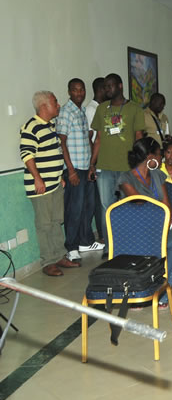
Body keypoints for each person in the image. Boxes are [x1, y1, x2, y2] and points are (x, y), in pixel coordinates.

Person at [118, 137, 172, 304]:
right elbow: (140, 203)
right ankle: (138, 292)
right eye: (159, 155)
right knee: (147, 246)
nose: (162, 159)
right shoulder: (126, 178)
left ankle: (163, 292)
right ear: (150, 157)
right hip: (135, 229)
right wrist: (168, 221)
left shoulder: (158, 175)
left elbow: (167, 205)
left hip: (159, 226)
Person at [21, 91, 77, 277]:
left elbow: (54, 153)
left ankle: (60, 255)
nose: (58, 105)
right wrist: (38, 178)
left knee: (56, 221)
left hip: (54, 183)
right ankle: (48, 261)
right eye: (55, 102)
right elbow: (27, 155)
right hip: (41, 186)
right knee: (44, 224)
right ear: (44, 106)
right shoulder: (31, 127)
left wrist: (58, 176)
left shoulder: (50, 125)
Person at [89, 73, 146, 242]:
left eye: (110, 85)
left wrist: (139, 165)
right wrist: (92, 164)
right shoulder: (101, 109)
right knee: (107, 207)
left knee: (128, 206)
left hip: (127, 168)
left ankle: (129, 242)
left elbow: (139, 137)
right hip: (105, 167)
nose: (107, 89)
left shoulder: (134, 109)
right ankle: (110, 245)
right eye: (105, 86)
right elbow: (98, 139)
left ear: (120, 86)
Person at [56, 79, 103, 263]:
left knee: (88, 207)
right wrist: (71, 170)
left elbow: (88, 140)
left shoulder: (82, 111)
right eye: (75, 90)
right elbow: (62, 142)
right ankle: (72, 247)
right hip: (74, 169)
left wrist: (92, 165)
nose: (79, 92)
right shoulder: (66, 112)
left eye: (81, 89)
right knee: (74, 209)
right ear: (69, 91)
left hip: (86, 167)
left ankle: (85, 241)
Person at [85, 76, 107, 248]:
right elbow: (92, 138)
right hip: (98, 162)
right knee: (101, 202)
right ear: (100, 89)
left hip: (105, 162)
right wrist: (95, 162)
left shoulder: (102, 108)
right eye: (106, 88)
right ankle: (102, 235)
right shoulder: (92, 109)